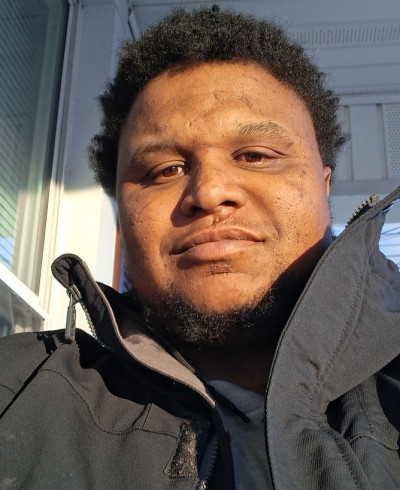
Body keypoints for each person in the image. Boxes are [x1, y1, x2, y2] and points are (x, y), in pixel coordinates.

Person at [1, 6, 400, 489]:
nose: (208, 193)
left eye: (255, 155)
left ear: (325, 185)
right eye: (165, 170)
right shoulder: (16, 391)